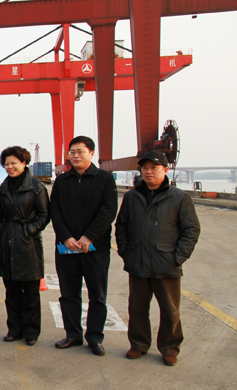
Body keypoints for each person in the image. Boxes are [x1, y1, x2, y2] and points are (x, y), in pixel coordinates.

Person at [115, 151, 200, 366]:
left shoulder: (179, 198)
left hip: (167, 264)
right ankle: (138, 344)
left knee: (170, 311)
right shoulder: (132, 197)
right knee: (137, 308)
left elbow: (191, 229)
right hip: (138, 263)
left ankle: (170, 348)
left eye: (154, 167)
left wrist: (178, 257)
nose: (149, 172)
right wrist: (126, 252)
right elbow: (121, 226)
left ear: (166, 170)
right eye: (145, 168)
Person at [49, 136, 117, 356]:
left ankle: (95, 338)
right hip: (67, 248)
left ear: (91, 153)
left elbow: (108, 211)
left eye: (80, 151)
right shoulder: (62, 181)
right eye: (72, 152)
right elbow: (55, 211)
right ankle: (73, 334)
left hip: (95, 248)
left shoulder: (105, 179)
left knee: (97, 295)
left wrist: (89, 237)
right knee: (69, 294)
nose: (76, 156)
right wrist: (66, 237)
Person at [0, 146, 50, 346]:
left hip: (28, 245)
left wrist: (27, 231)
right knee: (12, 293)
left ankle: (31, 331)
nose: (10, 167)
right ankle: (14, 329)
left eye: (14, 163)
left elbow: (44, 216)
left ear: (24, 163)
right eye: (6, 164)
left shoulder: (36, 186)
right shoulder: (4, 187)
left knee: (31, 294)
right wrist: (2, 229)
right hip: (7, 244)